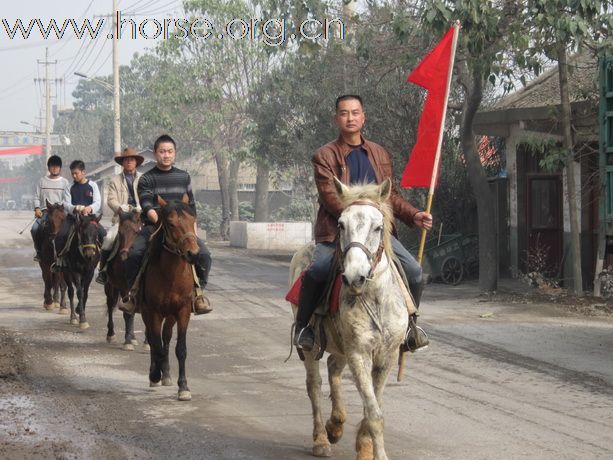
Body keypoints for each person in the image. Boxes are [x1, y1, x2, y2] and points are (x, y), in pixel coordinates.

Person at [294, 95, 433, 352]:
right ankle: (304, 326)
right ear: (337, 118)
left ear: (363, 117)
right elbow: (330, 197)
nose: (350, 118)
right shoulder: (324, 155)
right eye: (344, 113)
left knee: (414, 271)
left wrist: (414, 215)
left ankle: (410, 326)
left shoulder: (379, 153)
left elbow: (390, 195)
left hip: (376, 233)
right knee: (318, 270)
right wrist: (356, 218)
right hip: (340, 230)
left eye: (355, 113)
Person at [120, 134, 213, 315]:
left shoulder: (183, 177)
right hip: (154, 226)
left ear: (175, 154)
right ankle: (133, 296)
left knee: (205, 255)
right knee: (133, 254)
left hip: (182, 229)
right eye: (162, 151)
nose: (166, 155)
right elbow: (147, 206)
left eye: (170, 151)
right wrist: (163, 223)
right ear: (155, 154)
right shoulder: (146, 178)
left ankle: (199, 294)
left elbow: (191, 208)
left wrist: (192, 232)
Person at [95, 147, 144, 285]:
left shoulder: (144, 179)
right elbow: (110, 199)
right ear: (122, 162)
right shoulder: (114, 180)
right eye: (126, 159)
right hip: (121, 219)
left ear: (136, 162)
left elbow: (148, 197)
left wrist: (142, 207)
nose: (129, 162)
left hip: (140, 219)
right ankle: (103, 271)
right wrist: (119, 207)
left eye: (132, 160)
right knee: (108, 239)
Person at [52, 160, 107, 270]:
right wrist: (75, 208)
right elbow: (66, 204)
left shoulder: (93, 186)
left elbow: (97, 202)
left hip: (90, 219)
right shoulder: (69, 187)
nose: (74, 176)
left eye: (76, 173)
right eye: (72, 173)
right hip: (73, 219)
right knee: (60, 236)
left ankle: (104, 265)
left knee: (104, 235)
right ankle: (59, 261)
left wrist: (90, 208)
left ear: (83, 172)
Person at [31, 155, 69, 261]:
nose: (54, 168)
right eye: (52, 166)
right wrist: (37, 208)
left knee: (71, 229)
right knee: (34, 229)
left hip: (60, 212)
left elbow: (67, 198)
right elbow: (36, 197)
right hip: (45, 212)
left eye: (57, 166)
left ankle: (68, 251)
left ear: (60, 168)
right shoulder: (42, 181)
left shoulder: (65, 182)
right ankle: (38, 251)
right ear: (48, 168)